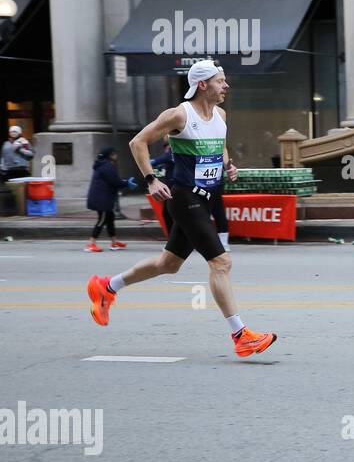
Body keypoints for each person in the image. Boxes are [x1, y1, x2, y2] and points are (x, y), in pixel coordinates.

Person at [85, 60, 277, 358]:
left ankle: (107, 287)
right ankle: (241, 335)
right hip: (185, 198)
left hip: (206, 197)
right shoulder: (179, 115)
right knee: (221, 263)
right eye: (220, 81)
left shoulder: (221, 114)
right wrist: (151, 180)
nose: (226, 85)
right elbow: (138, 142)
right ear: (203, 84)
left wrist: (227, 164)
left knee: (168, 264)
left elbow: (221, 143)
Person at [84, 147, 137, 252]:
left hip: (103, 197)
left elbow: (113, 180)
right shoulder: (106, 166)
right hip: (101, 199)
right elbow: (115, 181)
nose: (116, 156)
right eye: (114, 154)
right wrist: (127, 183)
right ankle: (91, 244)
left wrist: (125, 182)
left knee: (110, 219)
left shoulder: (104, 165)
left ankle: (114, 242)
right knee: (102, 220)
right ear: (110, 155)